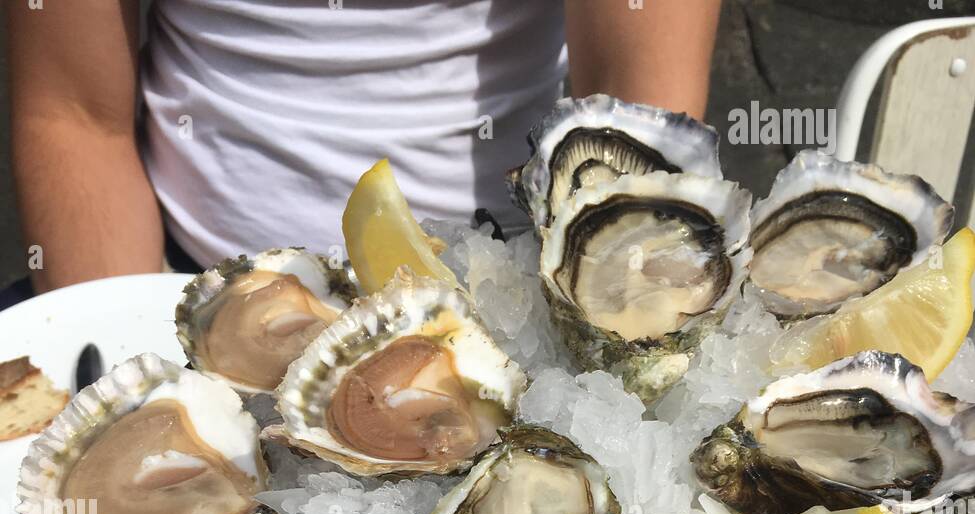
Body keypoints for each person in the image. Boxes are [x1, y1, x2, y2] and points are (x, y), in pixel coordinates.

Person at [8, 0, 721, 291]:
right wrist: (125, 374)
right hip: (188, 283)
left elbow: (640, 129)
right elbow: (73, 113)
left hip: (514, 287)